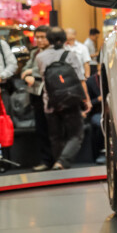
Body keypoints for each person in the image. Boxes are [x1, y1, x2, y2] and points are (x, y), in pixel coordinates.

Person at [35, 27, 91, 170]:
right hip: (70, 100)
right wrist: (86, 99)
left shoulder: (40, 57)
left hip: (50, 102)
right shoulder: (71, 55)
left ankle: (58, 166)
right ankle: (62, 162)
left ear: (48, 39)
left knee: (55, 137)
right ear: (64, 39)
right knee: (76, 134)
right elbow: (80, 79)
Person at [21, 25, 54, 170]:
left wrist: (31, 72)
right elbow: (23, 70)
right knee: (41, 128)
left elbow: (48, 69)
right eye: (37, 37)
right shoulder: (34, 52)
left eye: (43, 37)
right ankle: (46, 160)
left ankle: (56, 159)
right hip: (36, 94)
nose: (40, 40)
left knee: (53, 128)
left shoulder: (54, 51)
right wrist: (27, 73)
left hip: (52, 94)